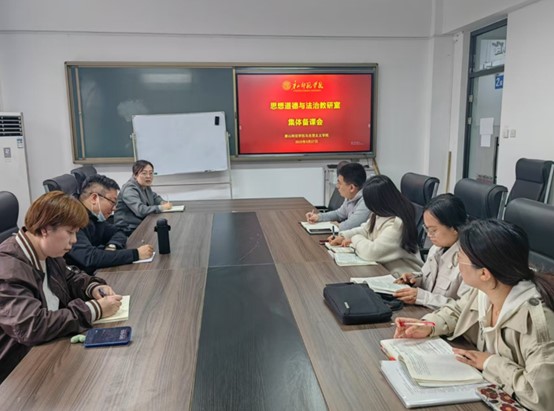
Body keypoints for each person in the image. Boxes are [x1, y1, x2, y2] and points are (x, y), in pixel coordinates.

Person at [394, 219, 554, 411]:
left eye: (460, 257)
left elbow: (540, 397)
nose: (457, 263)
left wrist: (489, 362)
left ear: (484, 273)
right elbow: (458, 310)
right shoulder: (487, 289)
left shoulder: (538, 322)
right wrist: (429, 326)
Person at [0, 191, 122, 383]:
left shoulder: (48, 252)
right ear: (45, 229)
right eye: (70, 232)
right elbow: (31, 326)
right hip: (19, 371)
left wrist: (92, 287)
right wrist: (94, 310)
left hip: (50, 346)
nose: (74, 240)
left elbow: (70, 277)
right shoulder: (8, 268)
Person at [329, 175, 423, 273]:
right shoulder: (380, 214)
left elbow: (371, 252)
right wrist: (343, 236)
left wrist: (354, 239)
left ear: (379, 203)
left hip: (403, 276)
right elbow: (365, 230)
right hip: (383, 269)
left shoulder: (397, 225)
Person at [65, 174, 154, 275]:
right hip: (80, 277)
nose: (114, 208)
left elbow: (119, 232)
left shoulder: (95, 216)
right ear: (94, 198)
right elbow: (90, 257)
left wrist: (112, 245)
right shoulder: (72, 219)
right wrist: (136, 254)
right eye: (112, 202)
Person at [393, 193, 469, 308]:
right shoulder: (436, 248)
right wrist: (415, 279)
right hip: (426, 312)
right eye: (427, 229)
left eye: (433, 230)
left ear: (454, 228)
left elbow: (464, 308)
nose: (429, 235)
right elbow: (429, 278)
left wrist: (423, 297)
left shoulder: (468, 260)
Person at [305, 162, 370, 231]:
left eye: (339, 183)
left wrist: (337, 225)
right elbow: (339, 214)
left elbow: (350, 226)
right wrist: (318, 217)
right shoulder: (351, 196)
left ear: (351, 188)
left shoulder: (366, 201)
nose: (337, 186)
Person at [114, 159, 172, 235]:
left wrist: (162, 202)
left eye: (151, 173)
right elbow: (140, 210)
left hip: (141, 223)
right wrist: (161, 207)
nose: (148, 176)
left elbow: (154, 197)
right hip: (127, 229)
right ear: (135, 175)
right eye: (144, 173)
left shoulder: (145, 185)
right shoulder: (129, 190)